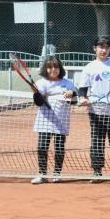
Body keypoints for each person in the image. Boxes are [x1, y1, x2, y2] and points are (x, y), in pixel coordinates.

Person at [76, 37, 110, 179]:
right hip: (96, 111)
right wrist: (83, 99)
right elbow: (82, 89)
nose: (104, 50)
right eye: (101, 47)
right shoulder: (89, 67)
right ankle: (97, 171)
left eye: (106, 47)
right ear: (95, 48)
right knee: (97, 141)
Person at [31, 56, 76, 184]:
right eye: (50, 67)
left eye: (55, 67)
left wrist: (72, 94)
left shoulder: (67, 83)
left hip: (62, 121)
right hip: (45, 121)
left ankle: (57, 173)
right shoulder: (41, 82)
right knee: (42, 147)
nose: (53, 70)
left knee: (59, 148)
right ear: (46, 69)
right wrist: (36, 93)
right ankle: (42, 174)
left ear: (59, 68)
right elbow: (38, 103)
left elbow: (75, 100)